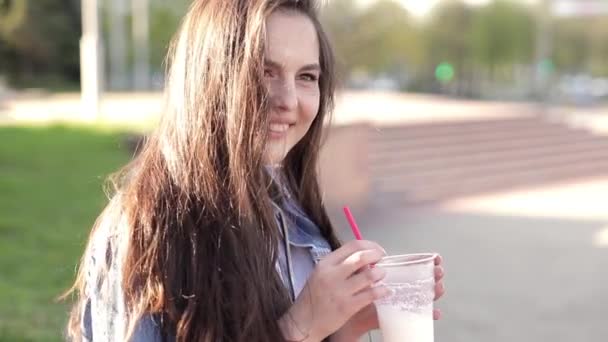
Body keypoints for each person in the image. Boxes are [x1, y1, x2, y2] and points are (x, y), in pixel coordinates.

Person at [64, 0, 446, 341]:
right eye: (265, 71)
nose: (288, 100)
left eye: (306, 77)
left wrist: (344, 327)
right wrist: (302, 325)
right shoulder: (144, 232)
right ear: (211, 78)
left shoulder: (297, 218)